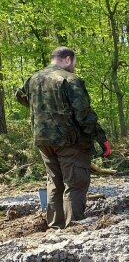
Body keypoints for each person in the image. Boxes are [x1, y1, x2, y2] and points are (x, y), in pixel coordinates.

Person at [16, 47, 111, 229]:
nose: (74, 66)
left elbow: (20, 96)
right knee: (75, 183)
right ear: (67, 59)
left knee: (54, 182)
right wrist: (101, 139)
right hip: (70, 141)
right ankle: (74, 227)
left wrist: (42, 110)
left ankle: (56, 226)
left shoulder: (33, 78)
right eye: (74, 62)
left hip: (43, 139)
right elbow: (83, 114)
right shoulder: (70, 80)